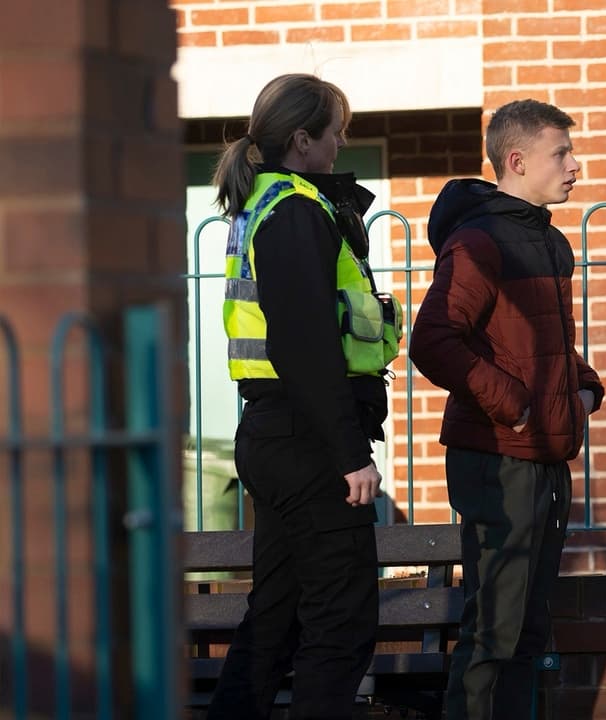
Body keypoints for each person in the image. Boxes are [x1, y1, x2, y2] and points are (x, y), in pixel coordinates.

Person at [209, 73, 401, 719]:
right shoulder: (294, 210)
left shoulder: (266, 203)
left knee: (277, 616)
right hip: (307, 441)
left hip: (278, 433)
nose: (341, 144)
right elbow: (304, 344)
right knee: (340, 621)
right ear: (301, 139)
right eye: (335, 133)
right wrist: (350, 453)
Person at [409, 98, 604, 720]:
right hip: (498, 459)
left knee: (527, 632)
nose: (575, 166)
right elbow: (433, 340)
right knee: (494, 631)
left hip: (546, 457)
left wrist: (584, 388)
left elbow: (540, 341)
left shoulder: (546, 240)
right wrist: (515, 406)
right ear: (517, 161)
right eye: (561, 153)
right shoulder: (478, 241)